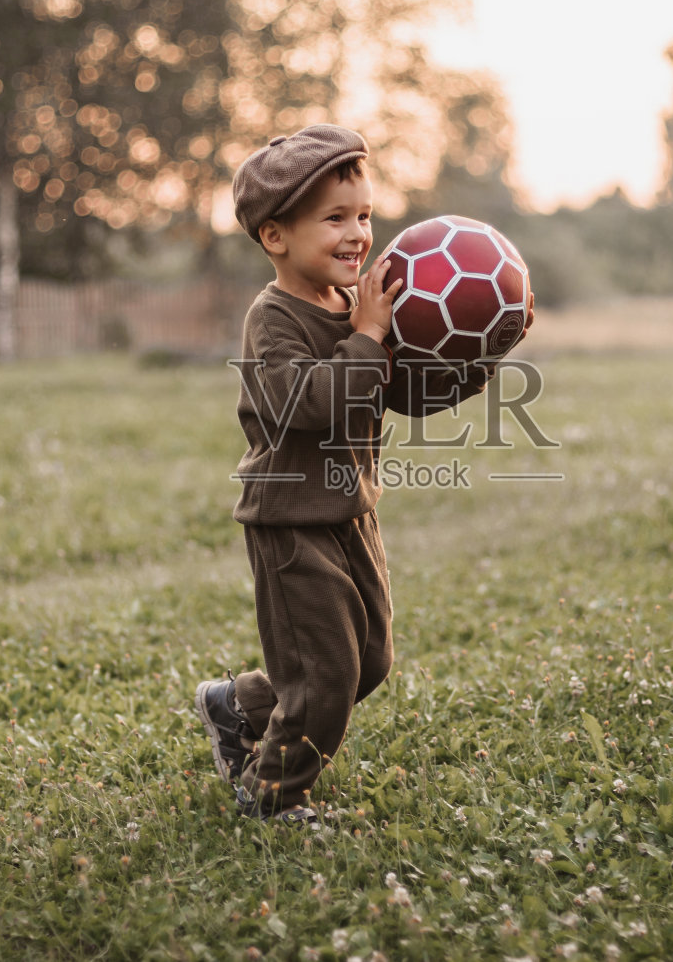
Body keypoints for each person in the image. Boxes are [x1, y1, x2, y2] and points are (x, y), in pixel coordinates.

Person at [193, 124, 530, 824]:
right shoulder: (274, 319)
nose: (358, 235)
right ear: (276, 237)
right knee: (326, 674)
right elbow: (303, 403)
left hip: (350, 511)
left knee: (367, 662)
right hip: (289, 520)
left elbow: (397, 392)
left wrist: (478, 354)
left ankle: (238, 704)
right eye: (336, 219)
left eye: (366, 216)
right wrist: (369, 338)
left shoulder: (352, 307)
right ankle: (271, 796)